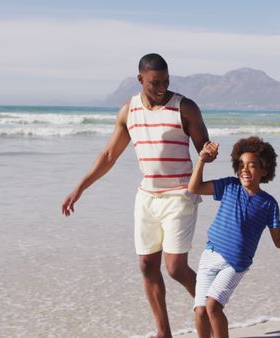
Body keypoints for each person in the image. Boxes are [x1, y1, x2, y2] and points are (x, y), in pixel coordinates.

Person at [61, 53, 214, 338]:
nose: (161, 87)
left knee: (175, 268)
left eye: (166, 81)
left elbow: (203, 146)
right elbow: (108, 155)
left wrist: (208, 152)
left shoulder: (185, 108)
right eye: (154, 82)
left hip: (179, 195)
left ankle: (212, 306)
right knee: (146, 265)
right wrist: (79, 188)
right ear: (140, 79)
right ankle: (163, 332)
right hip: (147, 197)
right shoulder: (127, 110)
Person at [188, 137, 280, 338]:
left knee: (213, 306)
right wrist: (202, 160)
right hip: (210, 256)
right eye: (241, 164)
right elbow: (194, 187)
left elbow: (278, 241)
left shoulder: (269, 204)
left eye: (252, 165)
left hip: (235, 264)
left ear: (264, 170)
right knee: (200, 311)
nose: (245, 169)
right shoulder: (229, 186)